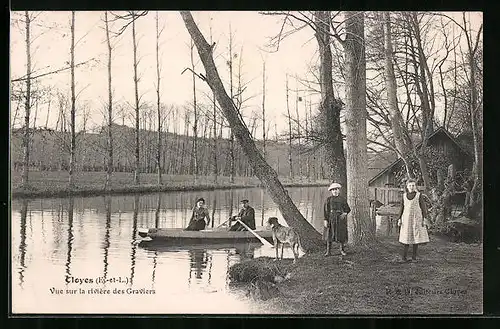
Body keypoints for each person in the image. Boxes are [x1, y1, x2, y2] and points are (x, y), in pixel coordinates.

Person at [397, 179, 430, 262]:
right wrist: (399, 218)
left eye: (413, 185)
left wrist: (424, 218)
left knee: (416, 238)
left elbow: (423, 208)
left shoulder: (419, 195)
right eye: (410, 185)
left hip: (416, 219)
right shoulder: (404, 196)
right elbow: (402, 208)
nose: (411, 187)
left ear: (415, 186)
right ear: (407, 187)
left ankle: (414, 257)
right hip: (406, 220)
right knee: (406, 238)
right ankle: (403, 257)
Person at [323, 182, 351, 256]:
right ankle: (328, 251)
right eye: (333, 190)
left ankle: (342, 250)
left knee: (341, 234)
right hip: (331, 218)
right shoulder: (328, 200)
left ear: (339, 190)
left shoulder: (342, 199)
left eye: (336, 189)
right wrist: (325, 220)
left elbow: (348, 209)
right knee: (329, 234)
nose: (335, 191)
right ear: (331, 191)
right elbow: (326, 211)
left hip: (340, 218)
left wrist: (344, 213)